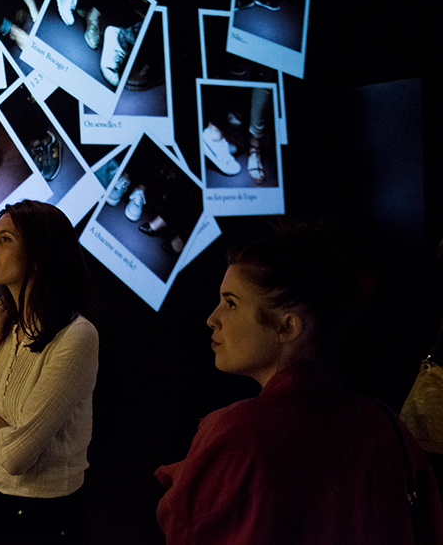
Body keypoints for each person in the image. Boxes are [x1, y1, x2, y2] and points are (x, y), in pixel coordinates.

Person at [156, 223, 443, 544]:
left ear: (288, 326)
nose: (213, 318)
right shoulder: (386, 425)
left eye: (231, 302)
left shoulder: (236, 434)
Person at [0, 200, 99, 544]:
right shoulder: (6, 328)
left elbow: (15, 457)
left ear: (40, 257)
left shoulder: (76, 336)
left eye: (5, 240)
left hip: (44, 524)